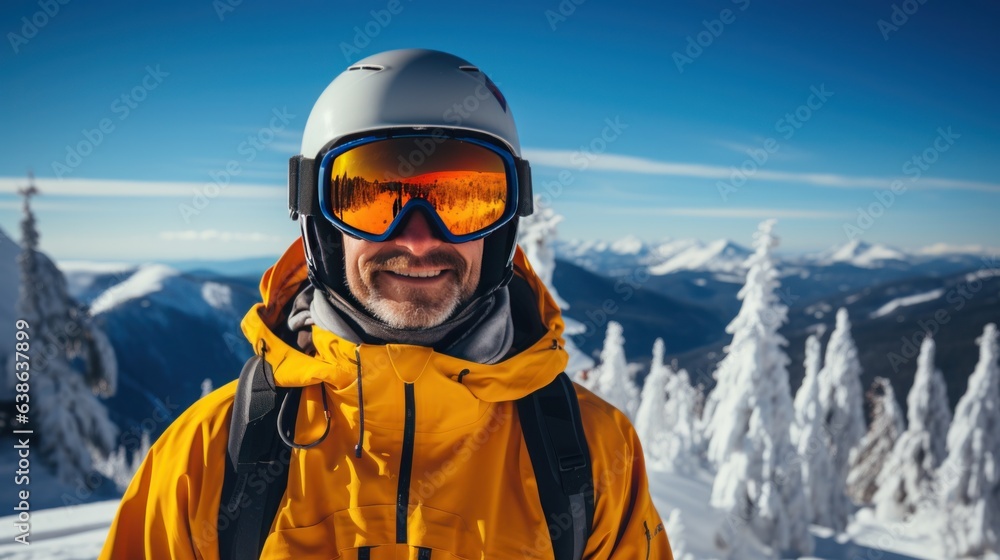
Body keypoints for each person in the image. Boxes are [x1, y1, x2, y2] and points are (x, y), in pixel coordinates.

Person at [100, 48, 671, 559]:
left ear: (503, 227)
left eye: (464, 199)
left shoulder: (591, 454)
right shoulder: (208, 455)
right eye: (372, 197)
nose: (419, 238)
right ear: (320, 221)